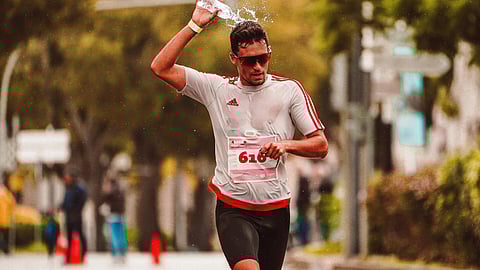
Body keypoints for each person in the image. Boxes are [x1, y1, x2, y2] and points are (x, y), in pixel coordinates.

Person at [150, 5, 328, 270]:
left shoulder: (289, 91)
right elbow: (161, 67)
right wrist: (194, 25)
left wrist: (285, 145)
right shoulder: (216, 89)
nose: (258, 67)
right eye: (249, 61)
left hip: (276, 209)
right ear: (233, 58)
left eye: (263, 58)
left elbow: (320, 145)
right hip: (234, 208)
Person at [61, 170, 88, 264]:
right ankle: (68, 257)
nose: (66, 180)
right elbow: (65, 201)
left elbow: (82, 201)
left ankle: (83, 255)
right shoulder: (68, 188)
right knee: (68, 236)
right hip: (68, 216)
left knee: (79, 235)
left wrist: (76, 211)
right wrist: (61, 207)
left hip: (76, 216)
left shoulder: (79, 188)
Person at [100, 177, 127, 262]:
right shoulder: (120, 191)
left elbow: (105, 199)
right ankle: (121, 252)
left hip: (114, 216)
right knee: (120, 235)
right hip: (119, 215)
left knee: (115, 236)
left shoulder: (112, 192)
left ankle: (117, 253)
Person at [0, 178, 16, 255]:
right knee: (3, 236)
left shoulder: (5, 194)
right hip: (5, 220)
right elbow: (13, 204)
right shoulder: (8, 194)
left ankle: (6, 249)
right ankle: (6, 249)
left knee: (2, 237)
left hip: (3, 219)